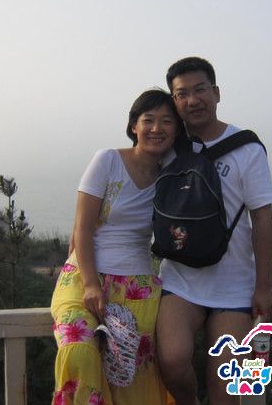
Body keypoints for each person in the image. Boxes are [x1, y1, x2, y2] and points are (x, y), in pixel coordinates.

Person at [156, 56, 272, 405]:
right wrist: (87, 224)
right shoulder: (169, 146)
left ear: (217, 93)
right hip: (180, 279)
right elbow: (134, 184)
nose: (192, 100)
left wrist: (263, 286)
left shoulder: (247, 148)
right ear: (174, 101)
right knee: (171, 361)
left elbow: (263, 219)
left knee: (225, 385)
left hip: (233, 286)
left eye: (200, 90)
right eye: (182, 94)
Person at [51, 89, 181, 405]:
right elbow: (82, 227)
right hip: (85, 278)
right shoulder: (107, 160)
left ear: (177, 130)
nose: (156, 128)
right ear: (134, 125)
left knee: (131, 374)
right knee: (78, 349)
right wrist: (91, 284)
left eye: (166, 121)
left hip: (138, 285)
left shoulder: (173, 176)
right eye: (148, 120)